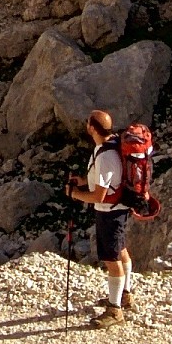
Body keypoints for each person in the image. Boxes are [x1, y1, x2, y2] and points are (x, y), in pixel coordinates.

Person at [64, 108, 135, 325]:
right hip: (119, 209)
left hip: (110, 213)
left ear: (92, 128)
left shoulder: (105, 156)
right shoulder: (110, 144)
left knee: (110, 258)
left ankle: (114, 311)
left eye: (88, 123)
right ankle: (125, 294)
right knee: (120, 250)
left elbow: (99, 195)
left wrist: (74, 193)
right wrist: (84, 181)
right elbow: (105, 181)